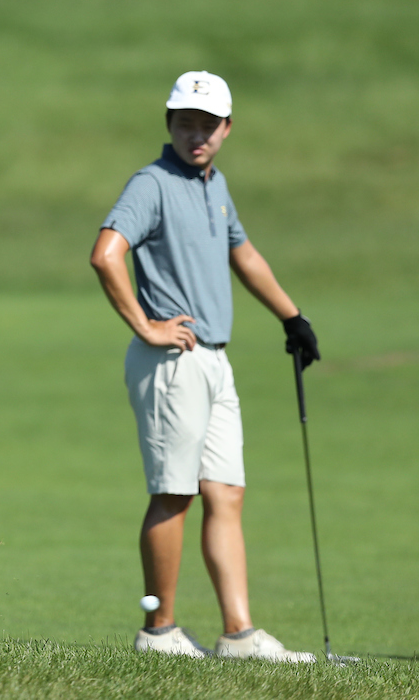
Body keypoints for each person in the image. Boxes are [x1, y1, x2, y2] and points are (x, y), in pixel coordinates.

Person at [89, 72, 322, 662]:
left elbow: (242, 252)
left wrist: (291, 316)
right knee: (175, 492)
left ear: (227, 128)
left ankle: (238, 634)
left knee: (227, 492)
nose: (197, 134)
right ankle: (159, 630)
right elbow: (106, 253)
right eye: (186, 122)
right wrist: (145, 324)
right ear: (169, 123)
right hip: (173, 360)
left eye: (208, 124)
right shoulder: (154, 183)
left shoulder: (213, 185)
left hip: (215, 361)